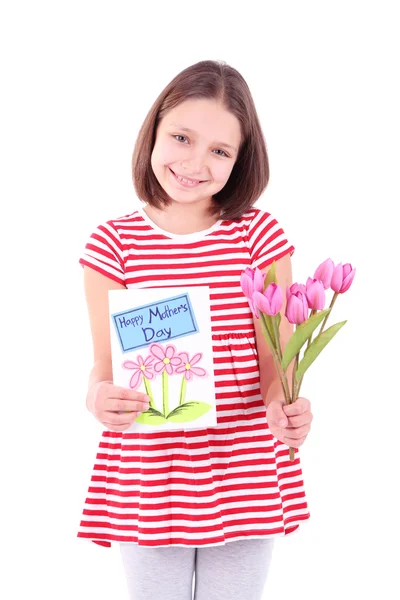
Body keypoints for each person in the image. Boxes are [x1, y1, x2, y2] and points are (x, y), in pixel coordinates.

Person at [78, 59, 313, 600]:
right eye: (181, 137)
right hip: (151, 471)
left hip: (245, 463)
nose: (194, 163)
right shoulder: (114, 244)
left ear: (240, 159)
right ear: (153, 133)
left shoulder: (258, 236)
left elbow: (278, 359)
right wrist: (97, 397)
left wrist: (286, 407)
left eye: (220, 150)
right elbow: (105, 366)